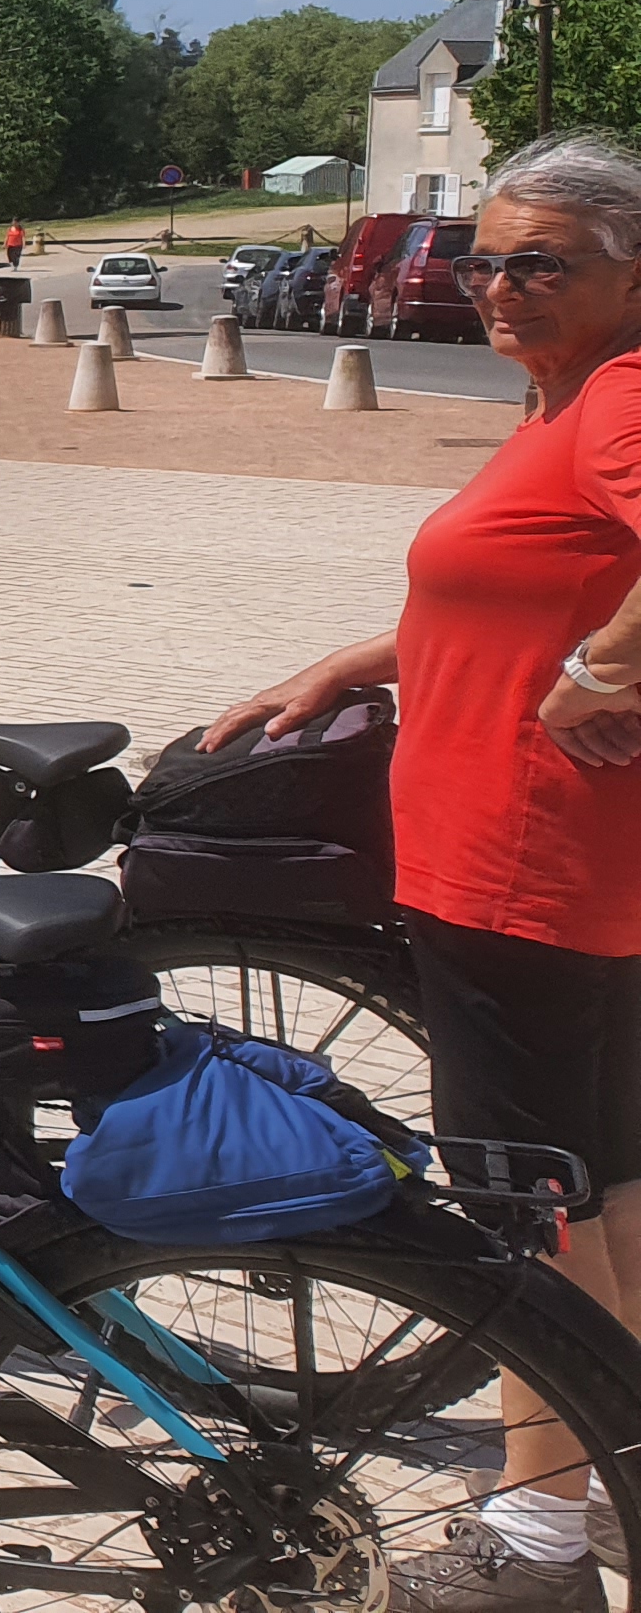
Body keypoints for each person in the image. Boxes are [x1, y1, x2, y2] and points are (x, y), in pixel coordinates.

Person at [203, 131, 641, 1610]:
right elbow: (522, 586)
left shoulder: (621, 399)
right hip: (556, 875)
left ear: (628, 272)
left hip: (521, 874)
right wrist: (356, 658)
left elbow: (594, 613)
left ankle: (535, 1551)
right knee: (606, 1198)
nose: (498, 285)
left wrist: (606, 663)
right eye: (484, 255)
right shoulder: (568, 402)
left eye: (543, 263)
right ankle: (603, 1483)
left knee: (528, 1216)